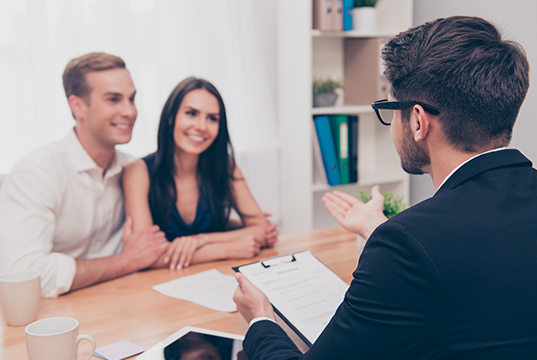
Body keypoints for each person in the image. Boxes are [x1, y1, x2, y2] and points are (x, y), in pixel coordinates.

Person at [233, 16, 537, 358]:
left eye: (391, 110)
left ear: (419, 121)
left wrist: (260, 320)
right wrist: (379, 227)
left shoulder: (405, 243)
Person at [0, 52, 170, 298]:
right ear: (77, 106)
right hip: (55, 321)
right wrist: (126, 261)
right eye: (113, 99)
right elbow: (21, 273)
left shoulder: (133, 169)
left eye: (131, 99)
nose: (129, 111)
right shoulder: (36, 173)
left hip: (124, 304)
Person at [123, 77, 274, 271]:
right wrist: (224, 249)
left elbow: (262, 230)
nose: (201, 126)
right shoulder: (138, 171)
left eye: (212, 118)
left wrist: (199, 240)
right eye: (191, 113)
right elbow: (144, 255)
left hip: (218, 278)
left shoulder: (225, 165)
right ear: (171, 116)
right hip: (160, 286)